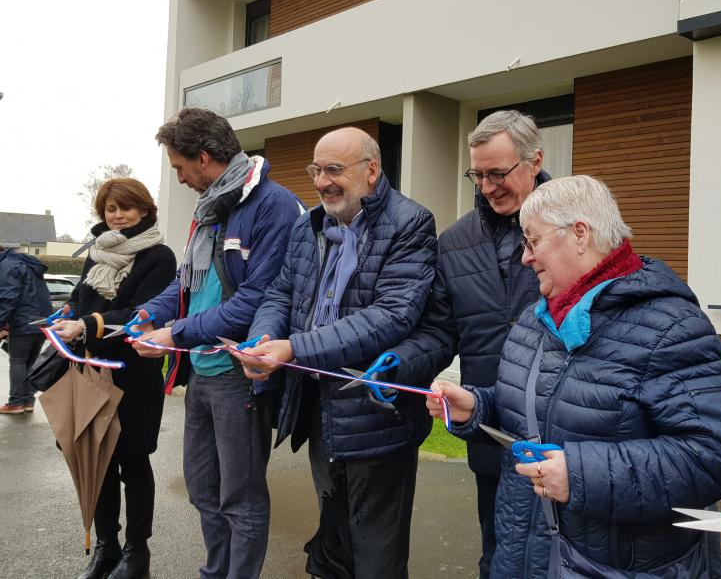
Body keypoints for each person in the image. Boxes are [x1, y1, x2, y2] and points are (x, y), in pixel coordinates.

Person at [428, 176, 721, 578]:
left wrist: (579, 475)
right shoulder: (535, 319)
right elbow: (540, 409)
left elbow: (714, 457)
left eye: (532, 241)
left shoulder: (670, 325)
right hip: (525, 555)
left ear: (579, 234)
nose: (524, 257)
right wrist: (476, 407)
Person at [233, 126, 437, 579]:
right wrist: (266, 338)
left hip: (375, 415)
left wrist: (294, 348)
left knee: (377, 554)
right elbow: (280, 295)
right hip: (319, 408)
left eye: (333, 169)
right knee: (335, 539)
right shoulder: (308, 225)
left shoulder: (411, 223)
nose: (322, 181)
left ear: (372, 170)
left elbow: (392, 316)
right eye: (316, 170)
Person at [131, 107, 303, 579]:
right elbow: (187, 286)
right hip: (202, 374)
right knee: (202, 487)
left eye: (180, 167)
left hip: (237, 375)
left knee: (240, 496)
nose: (179, 178)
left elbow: (258, 300)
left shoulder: (274, 205)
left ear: (203, 157)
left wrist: (176, 333)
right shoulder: (209, 207)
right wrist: (150, 314)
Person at [390, 110, 550, 578]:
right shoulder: (455, 241)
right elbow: (441, 331)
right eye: (477, 174)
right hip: (491, 428)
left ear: (535, 159)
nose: (487, 186)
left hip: (563, 432)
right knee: (498, 554)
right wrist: (397, 363)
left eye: (498, 173)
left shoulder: (577, 229)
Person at [49, 178, 176, 579]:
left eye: (125, 208)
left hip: (133, 374)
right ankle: (106, 545)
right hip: (89, 371)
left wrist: (89, 323)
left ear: (144, 209)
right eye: (109, 210)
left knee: (133, 462)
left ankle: (137, 552)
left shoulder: (159, 256)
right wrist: (67, 313)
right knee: (97, 462)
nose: (117, 216)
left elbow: (146, 311)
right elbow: (82, 298)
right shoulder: (97, 253)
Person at [0, 246, 52, 414]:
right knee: (30, 362)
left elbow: (8, 297)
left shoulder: (9, 266)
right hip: (42, 320)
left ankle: (15, 403)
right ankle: (28, 401)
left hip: (24, 321)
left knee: (17, 361)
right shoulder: (26, 263)